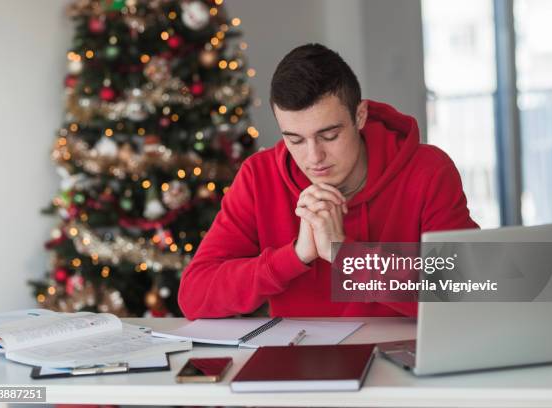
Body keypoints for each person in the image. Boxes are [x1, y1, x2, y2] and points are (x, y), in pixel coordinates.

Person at [178, 43, 478, 319]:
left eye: (329, 135)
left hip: (403, 364)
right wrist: (294, 255)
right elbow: (194, 295)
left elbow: (473, 289)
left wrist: (344, 253)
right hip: (299, 366)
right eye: (295, 140)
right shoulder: (258, 176)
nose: (314, 157)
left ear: (359, 116)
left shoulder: (428, 170)